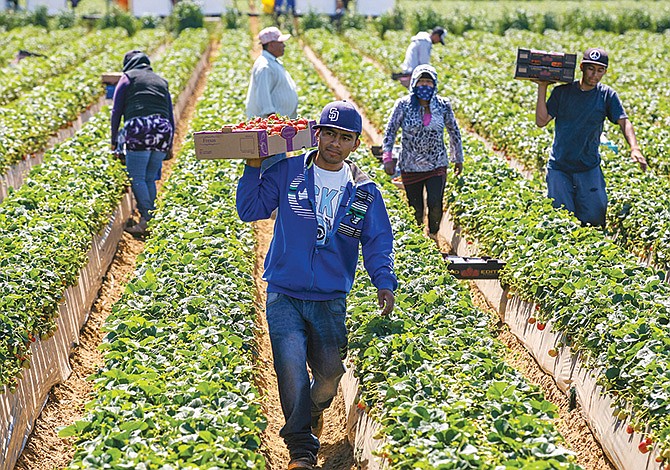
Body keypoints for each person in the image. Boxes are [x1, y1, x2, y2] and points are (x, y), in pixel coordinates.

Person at [236, 101, 397, 470]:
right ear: (317, 134)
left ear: (355, 144)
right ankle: (301, 451)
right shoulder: (289, 171)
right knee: (289, 368)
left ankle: (312, 410)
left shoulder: (364, 192)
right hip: (284, 291)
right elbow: (249, 210)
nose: (334, 144)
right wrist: (252, 165)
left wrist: (383, 282)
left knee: (329, 374)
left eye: (344, 138)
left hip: (329, 297)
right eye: (329, 134)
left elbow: (376, 241)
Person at [535, 47, 647, 228]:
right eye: (591, 69)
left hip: (588, 167)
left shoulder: (606, 95)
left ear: (605, 72)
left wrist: (634, 147)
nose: (595, 75)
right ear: (581, 67)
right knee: (562, 220)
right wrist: (542, 88)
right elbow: (541, 121)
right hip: (560, 167)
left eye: (600, 70)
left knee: (595, 217)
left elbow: (624, 122)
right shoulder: (562, 92)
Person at [382, 64, 464, 238]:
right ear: (414, 84)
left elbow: (453, 131)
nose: (425, 86)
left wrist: (458, 158)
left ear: (434, 84)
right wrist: (387, 157)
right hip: (410, 165)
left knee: (435, 203)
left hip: (437, 163)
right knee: (415, 208)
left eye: (429, 82)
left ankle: (434, 234)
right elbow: (390, 130)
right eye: (421, 82)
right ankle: (418, 237)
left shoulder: (443, 105)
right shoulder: (403, 105)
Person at [111, 50, 174, 236]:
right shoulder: (161, 81)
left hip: (139, 128)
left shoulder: (127, 78)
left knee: (136, 176)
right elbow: (170, 114)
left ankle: (147, 219)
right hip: (162, 129)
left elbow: (116, 111)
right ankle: (151, 216)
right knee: (149, 177)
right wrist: (170, 142)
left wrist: (114, 139)